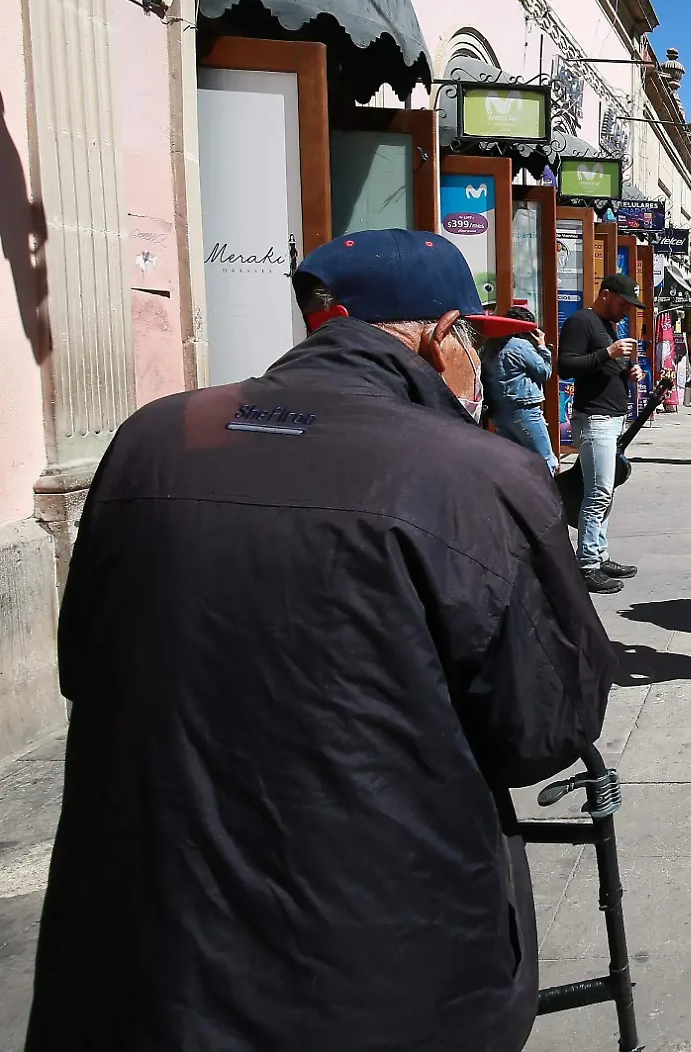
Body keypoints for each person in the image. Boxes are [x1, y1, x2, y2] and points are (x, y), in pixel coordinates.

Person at [25, 229, 617, 1052]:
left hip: (145, 948)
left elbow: (85, 659)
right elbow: (542, 729)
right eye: (475, 341)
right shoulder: (476, 475)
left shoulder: (152, 438)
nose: (476, 365)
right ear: (438, 333)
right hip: (381, 957)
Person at [558, 272, 645, 593]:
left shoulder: (608, 327)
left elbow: (600, 370)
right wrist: (609, 354)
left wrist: (626, 372)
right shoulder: (582, 321)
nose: (627, 311)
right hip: (595, 419)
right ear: (606, 295)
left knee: (605, 491)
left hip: (609, 419)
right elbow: (566, 366)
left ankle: (599, 553)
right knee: (597, 494)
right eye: (624, 303)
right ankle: (587, 564)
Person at [482, 304, 558, 473]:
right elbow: (544, 372)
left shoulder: (491, 345)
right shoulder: (521, 346)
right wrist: (542, 347)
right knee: (546, 461)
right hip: (525, 409)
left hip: (499, 413)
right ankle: (546, 498)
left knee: (514, 463)